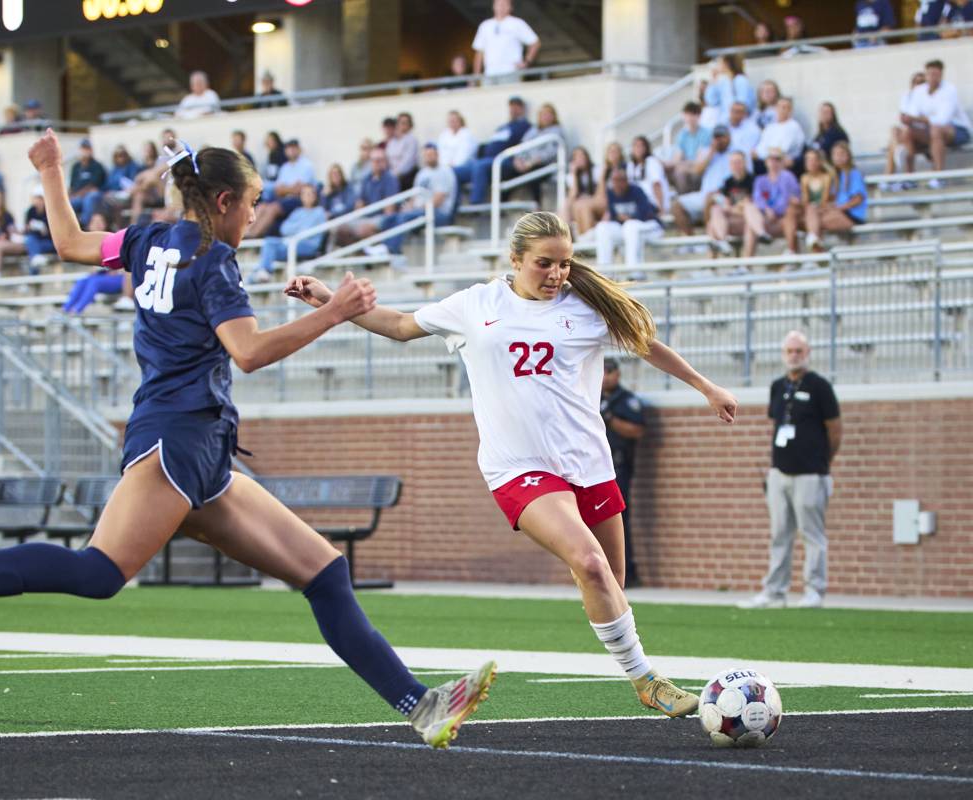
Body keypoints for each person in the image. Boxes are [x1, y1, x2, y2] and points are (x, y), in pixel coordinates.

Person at [0, 129, 497, 751]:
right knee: (97, 572)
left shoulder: (148, 238)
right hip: (177, 438)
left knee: (325, 573)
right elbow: (250, 352)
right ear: (224, 200)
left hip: (199, 446)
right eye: (253, 202)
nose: (256, 215)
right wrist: (333, 311)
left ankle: (422, 707)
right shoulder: (215, 261)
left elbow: (67, 242)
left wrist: (50, 168)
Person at [286, 211, 738, 720]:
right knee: (589, 564)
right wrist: (329, 302)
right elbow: (397, 325)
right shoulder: (475, 305)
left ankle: (607, 614)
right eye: (544, 263)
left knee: (609, 579)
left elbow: (644, 343)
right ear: (515, 260)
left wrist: (706, 387)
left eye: (564, 264)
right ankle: (647, 681)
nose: (556, 274)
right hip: (516, 467)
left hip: (588, 462)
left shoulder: (585, 308)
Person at [741, 331, 840, 609]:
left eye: (799, 351)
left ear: (808, 353)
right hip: (780, 472)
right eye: (789, 351)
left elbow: (835, 429)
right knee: (779, 533)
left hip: (810, 473)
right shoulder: (777, 386)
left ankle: (814, 590)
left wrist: (823, 461)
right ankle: (774, 591)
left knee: (812, 533)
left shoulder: (820, 386)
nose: (794, 356)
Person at [600, 358, 645, 587]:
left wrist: (611, 420)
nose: (605, 376)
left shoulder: (626, 400)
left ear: (618, 374)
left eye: (610, 372)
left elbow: (637, 430)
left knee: (618, 519)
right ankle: (601, 573)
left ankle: (627, 573)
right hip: (593, 467)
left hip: (618, 467)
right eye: (602, 371)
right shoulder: (590, 396)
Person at [897, 59, 973, 183]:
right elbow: (912, 115)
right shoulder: (919, 91)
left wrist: (915, 119)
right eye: (930, 74)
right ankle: (909, 178)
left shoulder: (949, 90)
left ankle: (939, 176)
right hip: (931, 132)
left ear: (941, 75)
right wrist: (907, 120)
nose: (933, 78)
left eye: (936, 74)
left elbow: (942, 120)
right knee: (906, 132)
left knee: (936, 130)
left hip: (958, 131)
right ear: (926, 75)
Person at [382, 142, 458, 254]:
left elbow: (438, 199)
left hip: (440, 214)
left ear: (437, 155)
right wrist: (409, 207)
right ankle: (383, 247)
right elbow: (414, 197)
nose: (429, 157)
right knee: (389, 219)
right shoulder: (421, 173)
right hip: (422, 211)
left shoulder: (444, 172)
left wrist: (417, 209)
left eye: (432, 154)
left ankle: (391, 250)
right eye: (427, 155)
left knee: (405, 218)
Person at [454, 97, 531, 204]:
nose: (513, 110)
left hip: (505, 162)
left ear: (522, 109)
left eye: (516, 107)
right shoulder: (501, 128)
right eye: (511, 107)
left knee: (480, 166)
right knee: (456, 172)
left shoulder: (525, 126)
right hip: (487, 160)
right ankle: (455, 206)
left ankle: (476, 204)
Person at [249, 184, 328, 283]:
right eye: (304, 194)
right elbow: (284, 229)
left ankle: (259, 275)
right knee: (270, 242)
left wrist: (296, 229)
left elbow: (310, 233)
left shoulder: (319, 212)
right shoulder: (298, 212)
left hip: (308, 245)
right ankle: (260, 274)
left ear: (315, 196)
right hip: (291, 243)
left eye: (309, 194)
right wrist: (300, 229)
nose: (307, 196)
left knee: (270, 250)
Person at [804, 141, 867, 250]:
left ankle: (815, 251)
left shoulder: (853, 173)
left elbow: (858, 199)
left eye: (841, 154)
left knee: (816, 223)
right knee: (812, 209)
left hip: (850, 216)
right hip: (839, 211)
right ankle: (814, 244)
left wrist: (838, 207)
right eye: (835, 154)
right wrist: (828, 206)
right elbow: (834, 198)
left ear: (848, 156)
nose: (838, 157)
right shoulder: (837, 176)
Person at [247, 138, 316, 238]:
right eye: (289, 148)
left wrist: (286, 189)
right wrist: (290, 188)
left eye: (294, 148)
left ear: (299, 149)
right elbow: (277, 189)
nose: (291, 151)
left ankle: (253, 236)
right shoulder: (285, 167)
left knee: (273, 208)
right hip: (283, 198)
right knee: (261, 207)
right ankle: (246, 234)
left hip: (298, 199)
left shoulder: (306, 165)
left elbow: (300, 189)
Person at [671, 126, 733, 236]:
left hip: (725, 195)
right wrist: (711, 153)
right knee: (676, 205)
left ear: (728, 137)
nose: (719, 140)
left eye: (722, 137)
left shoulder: (735, 153)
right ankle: (692, 241)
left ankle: (708, 237)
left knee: (710, 198)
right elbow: (697, 171)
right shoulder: (708, 152)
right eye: (716, 137)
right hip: (704, 194)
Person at [595, 169, 662, 268]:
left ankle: (634, 272)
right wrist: (622, 218)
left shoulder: (637, 191)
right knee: (602, 227)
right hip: (627, 229)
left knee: (630, 225)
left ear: (626, 181)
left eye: (620, 180)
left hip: (650, 226)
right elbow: (614, 216)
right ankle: (604, 273)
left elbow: (646, 214)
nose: (617, 184)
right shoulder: (610, 193)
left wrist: (628, 218)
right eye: (614, 181)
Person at [334, 147, 399, 247]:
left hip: (382, 217)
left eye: (379, 160)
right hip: (367, 216)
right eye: (373, 160)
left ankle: (370, 255)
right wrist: (359, 212)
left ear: (385, 162)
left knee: (363, 230)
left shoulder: (390, 179)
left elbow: (389, 210)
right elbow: (360, 204)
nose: (376, 163)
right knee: (340, 229)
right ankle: (360, 255)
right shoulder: (366, 179)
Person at [743, 149, 800, 258]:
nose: (774, 163)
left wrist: (773, 210)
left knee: (751, 224)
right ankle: (761, 234)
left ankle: (747, 262)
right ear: (766, 162)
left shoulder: (788, 177)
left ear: (782, 162)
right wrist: (767, 209)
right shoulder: (760, 180)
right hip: (766, 219)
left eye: (777, 159)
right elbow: (758, 199)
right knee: (749, 210)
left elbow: (793, 198)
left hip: (783, 218)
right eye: (771, 159)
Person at [472, 0, 540, 79]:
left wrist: (527, 62)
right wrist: (476, 76)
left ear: (510, 7)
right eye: (499, 4)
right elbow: (479, 52)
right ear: (493, 6)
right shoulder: (484, 26)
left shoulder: (517, 23)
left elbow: (535, 43)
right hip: (490, 74)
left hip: (511, 72)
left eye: (505, 4)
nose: (501, 7)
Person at [706, 151, 754, 256]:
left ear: (745, 163)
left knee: (713, 224)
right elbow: (727, 203)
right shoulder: (728, 182)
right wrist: (731, 208)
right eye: (733, 162)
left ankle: (720, 247)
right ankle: (722, 243)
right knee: (713, 216)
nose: (736, 165)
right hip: (733, 216)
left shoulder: (752, 180)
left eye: (738, 162)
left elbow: (749, 206)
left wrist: (732, 208)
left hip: (746, 219)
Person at [887, 72, 927, 179]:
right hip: (908, 133)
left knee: (904, 136)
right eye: (916, 82)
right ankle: (891, 176)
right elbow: (903, 118)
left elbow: (931, 120)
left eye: (922, 82)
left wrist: (912, 119)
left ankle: (904, 175)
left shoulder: (929, 97)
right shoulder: (907, 97)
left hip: (923, 134)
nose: (919, 85)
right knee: (894, 131)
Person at [667, 102, 713, 194]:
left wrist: (683, 165)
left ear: (699, 116)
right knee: (675, 172)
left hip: (701, 168)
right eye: (687, 114)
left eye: (693, 114)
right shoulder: (682, 135)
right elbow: (677, 157)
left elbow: (700, 160)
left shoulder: (707, 133)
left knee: (684, 173)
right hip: (687, 166)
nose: (690, 118)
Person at [754, 97, 806, 174]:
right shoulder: (770, 127)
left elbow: (781, 150)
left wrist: (762, 154)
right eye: (779, 107)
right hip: (766, 162)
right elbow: (760, 147)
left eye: (785, 107)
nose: (782, 110)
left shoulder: (793, 126)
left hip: (784, 166)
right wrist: (758, 153)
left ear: (790, 111)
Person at [704, 55, 756, 121]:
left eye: (720, 63)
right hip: (725, 121)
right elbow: (711, 101)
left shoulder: (741, 80)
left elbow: (743, 103)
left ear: (727, 64)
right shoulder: (723, 81)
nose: (718, 66)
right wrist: (713, 80)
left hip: (739, 122)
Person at [69, 139, 107, 227]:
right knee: (69, 203)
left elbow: (93, 186)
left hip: (94, 194)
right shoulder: (76, 167)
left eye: (87, 148)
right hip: (77, 196)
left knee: (90, 198)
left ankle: (84, 225)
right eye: (83, 148)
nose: (84, 151)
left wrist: (79, 194)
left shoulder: (97, 166)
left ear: (91, 150)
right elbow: (71, 186)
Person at [626, 136, 668, 215]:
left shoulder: (652, 162)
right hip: (637, 204)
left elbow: (657, 185)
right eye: (635, 146)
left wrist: (661, 208)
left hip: (652, 203)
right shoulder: (631, 165)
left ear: (646, 148)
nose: (638, 149)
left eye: (641, 146)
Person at [561, 146, 597, 236]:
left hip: (593, 201)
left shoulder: (596, 171)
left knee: (577, 205)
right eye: (577, 157)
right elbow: (573, 194)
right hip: (578, 204)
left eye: (582, 156)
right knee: (566, 205)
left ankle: (568, 234)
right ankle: (567, 232)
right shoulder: (571, 176)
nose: (581, 159)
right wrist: (574, 174)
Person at [805, 103, 848, 172]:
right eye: (822, 112)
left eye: (827, 112)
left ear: (833, 115)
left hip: (833, 168)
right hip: (820, 168)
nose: (824, 115)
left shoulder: (838, 132)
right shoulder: (819, 135)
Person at [385, 112, 420, 188]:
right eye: (399, 122)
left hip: (406, 177)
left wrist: (394, 174)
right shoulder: (392, 141)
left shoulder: (412, 140)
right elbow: (387, 158)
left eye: (404, 123)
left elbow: (407, 163)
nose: (401, 125)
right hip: (392, 175)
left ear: (410, 125)